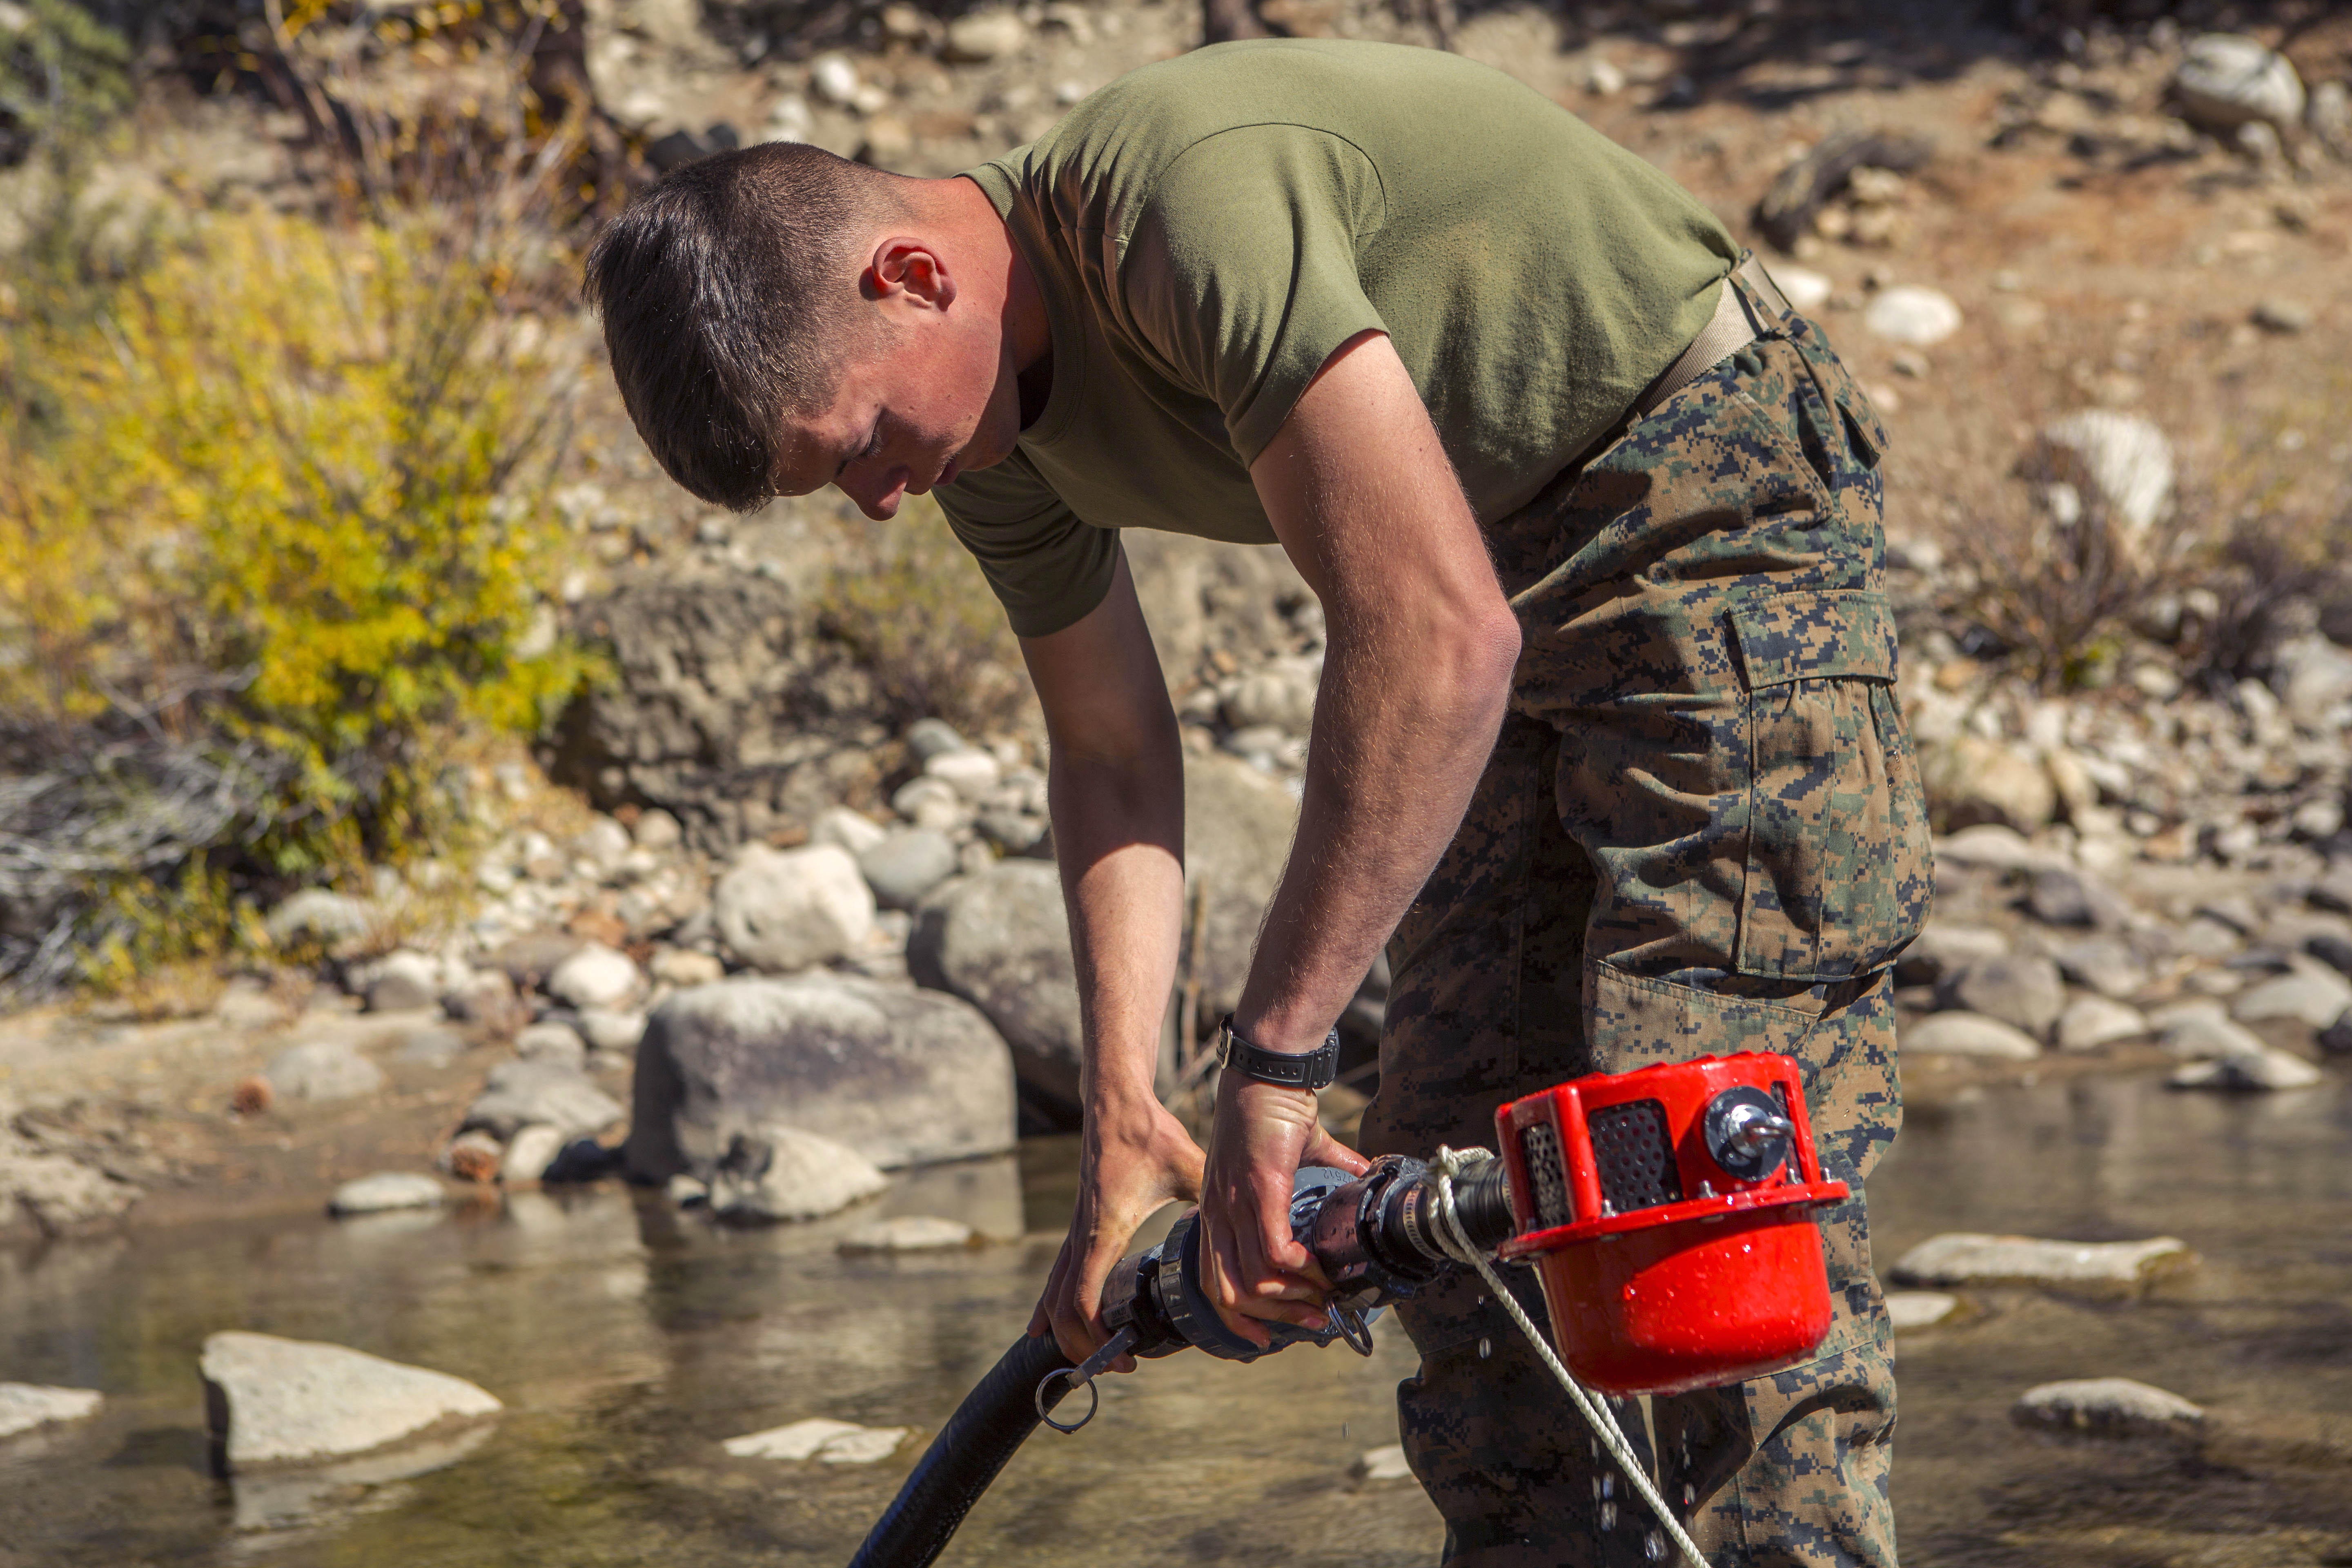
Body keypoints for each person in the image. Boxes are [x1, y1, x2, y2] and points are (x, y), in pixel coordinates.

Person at [583, 37, 1928, 1566]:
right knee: (1453, 1223)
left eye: (868, 449)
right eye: (844, 484)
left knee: (1695, 1187)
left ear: (910, 275)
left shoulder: (1182, 204)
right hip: (1489, 559)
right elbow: (1104, 748)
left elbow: (1433, 636)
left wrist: (1272, 1068)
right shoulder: (986, 437)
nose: (885, 499)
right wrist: (1124, 1112)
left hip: (1701, 489)